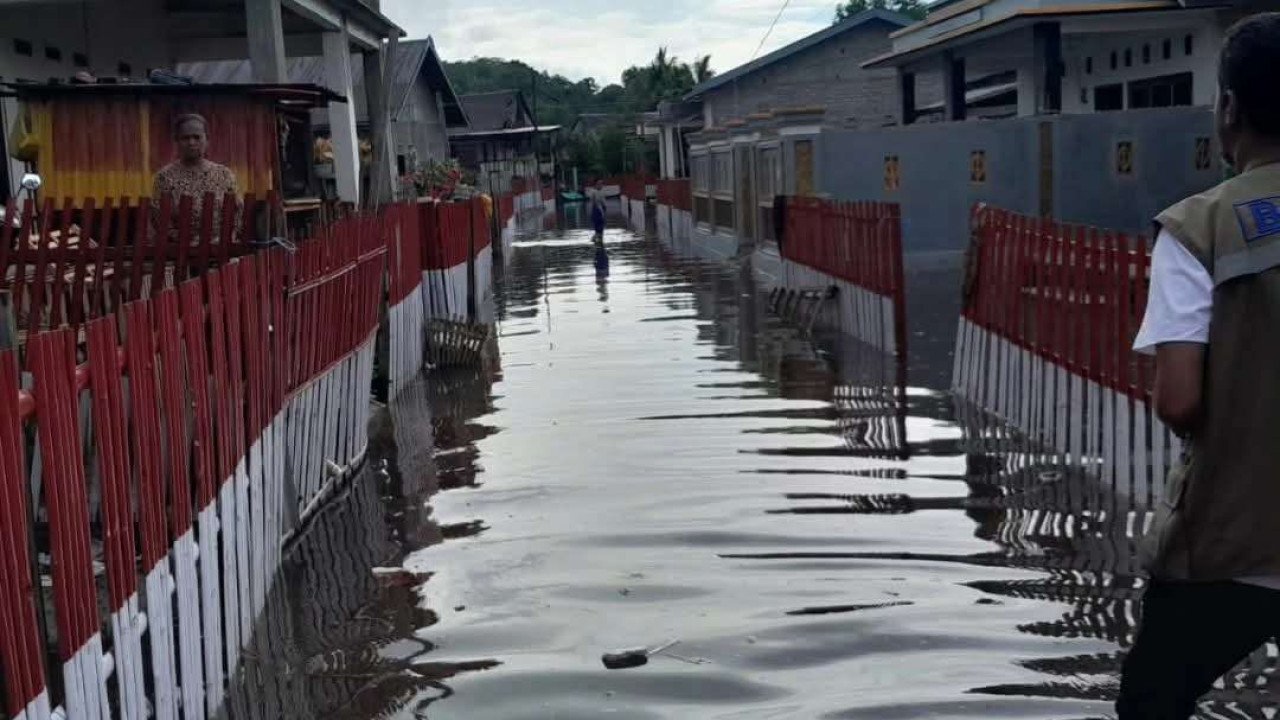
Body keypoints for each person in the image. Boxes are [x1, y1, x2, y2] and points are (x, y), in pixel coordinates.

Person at [1119, 13, 1280, 719]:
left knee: (1152, 702)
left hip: (1232, 533)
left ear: (1230, 108)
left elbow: (1179, 399)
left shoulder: (1198, 227)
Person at [152, 113, 239, 239]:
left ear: (207, 140)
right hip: (180, 251)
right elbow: (159, 220)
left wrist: (225, 237)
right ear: (176, 141)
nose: (191, 142)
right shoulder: (165, 177)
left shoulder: (224, 175)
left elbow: (238, 214)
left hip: (222, 249)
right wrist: (188, 240)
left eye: (197, 137)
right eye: (185, 138)